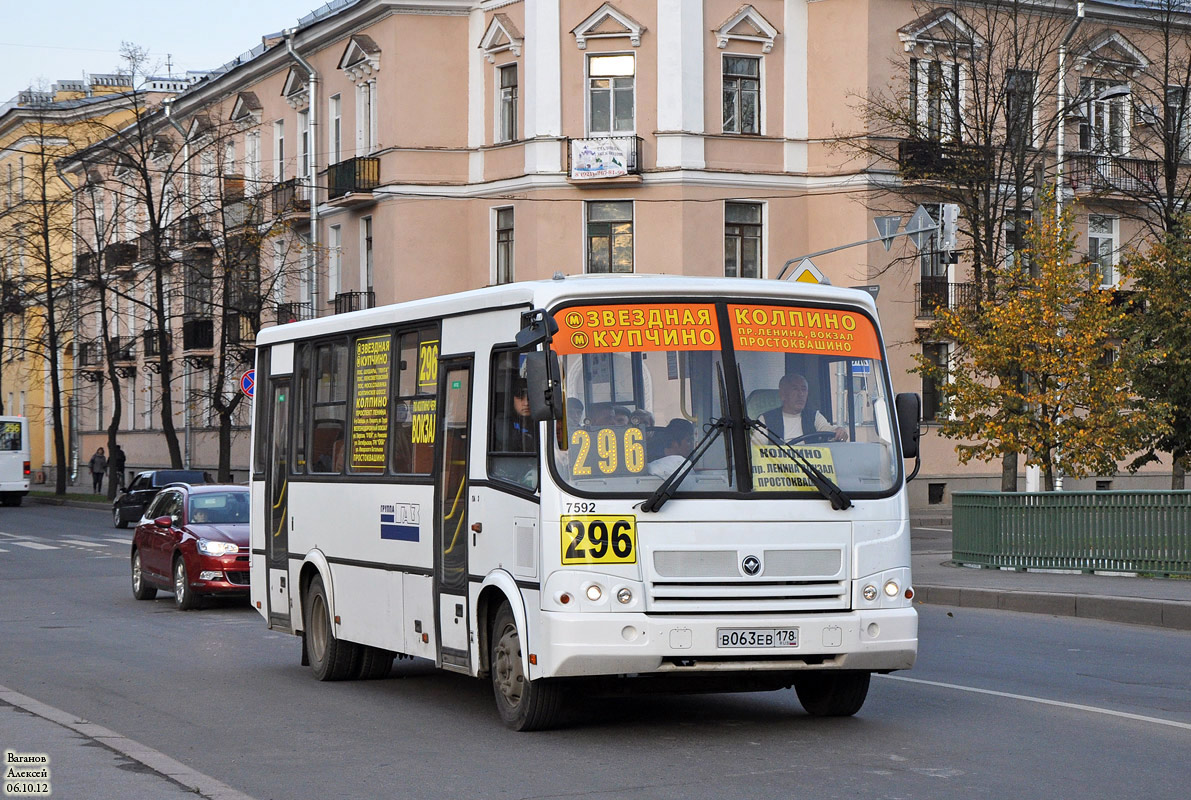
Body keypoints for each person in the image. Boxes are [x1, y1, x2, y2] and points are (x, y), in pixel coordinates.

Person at [761, 373, 847, 442]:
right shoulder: (765, 419)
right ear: (783, 394)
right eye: (795, 389)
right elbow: (756, 450)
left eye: (803, 389)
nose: (801, 394)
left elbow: (828, 430)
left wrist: (839, 431)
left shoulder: (814, 417)